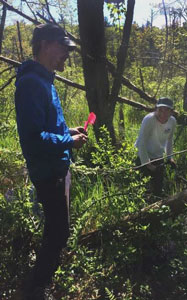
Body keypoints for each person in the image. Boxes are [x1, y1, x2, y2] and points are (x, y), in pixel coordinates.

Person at [14, 23, 88, 299]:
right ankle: (36, 287)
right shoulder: (32, 83)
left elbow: (47, 126)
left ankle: (41, 279)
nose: (66, 55)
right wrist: (68, 141)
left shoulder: (45, 79)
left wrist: (68, 132)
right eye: (62, 48)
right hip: (48, 172)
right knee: (58, 233)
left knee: (56, 229)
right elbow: (33, 138)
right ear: (45, 45)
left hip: (57, 167)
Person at [135, 97, 177, 196]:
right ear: (156, 109)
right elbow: (141, 143)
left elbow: (169, 140)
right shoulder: (149, 119)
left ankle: (158, 206)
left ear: (171, 112)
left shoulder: (172, 121)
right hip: (142, 156)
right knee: (143, 189)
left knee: (158, 188)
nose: (163, 113)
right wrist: (148, 164)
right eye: (160, 110)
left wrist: (170, 157)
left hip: (158, 156)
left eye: (166, 110)